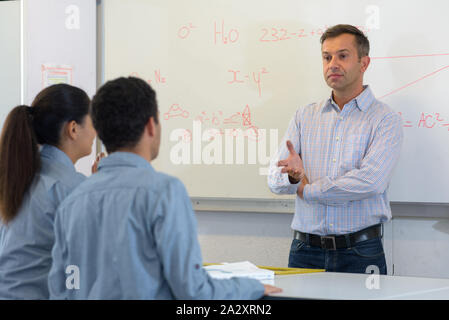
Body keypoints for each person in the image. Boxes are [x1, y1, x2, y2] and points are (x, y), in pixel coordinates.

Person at [48, 77, 281, 299]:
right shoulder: (164, 192)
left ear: (99, 131)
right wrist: (251, 287)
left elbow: (60, 289)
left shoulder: (73, 198)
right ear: (151, 126)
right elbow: (193, 290)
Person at [268, 24, 403, 274]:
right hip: (304, 250)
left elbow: (370, 182)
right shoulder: (304, 116)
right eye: (326, 57)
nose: (332, 64)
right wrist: (293, 177)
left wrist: (308, 190)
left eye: (343, 56)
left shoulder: (385, 119)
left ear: (364, 63)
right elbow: (275, 181)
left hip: (361, 252)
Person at [0, 84, 97, 299]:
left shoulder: (16, 179)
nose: (96, 132)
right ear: (73, 129)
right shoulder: (72, 189)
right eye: (92, 122)